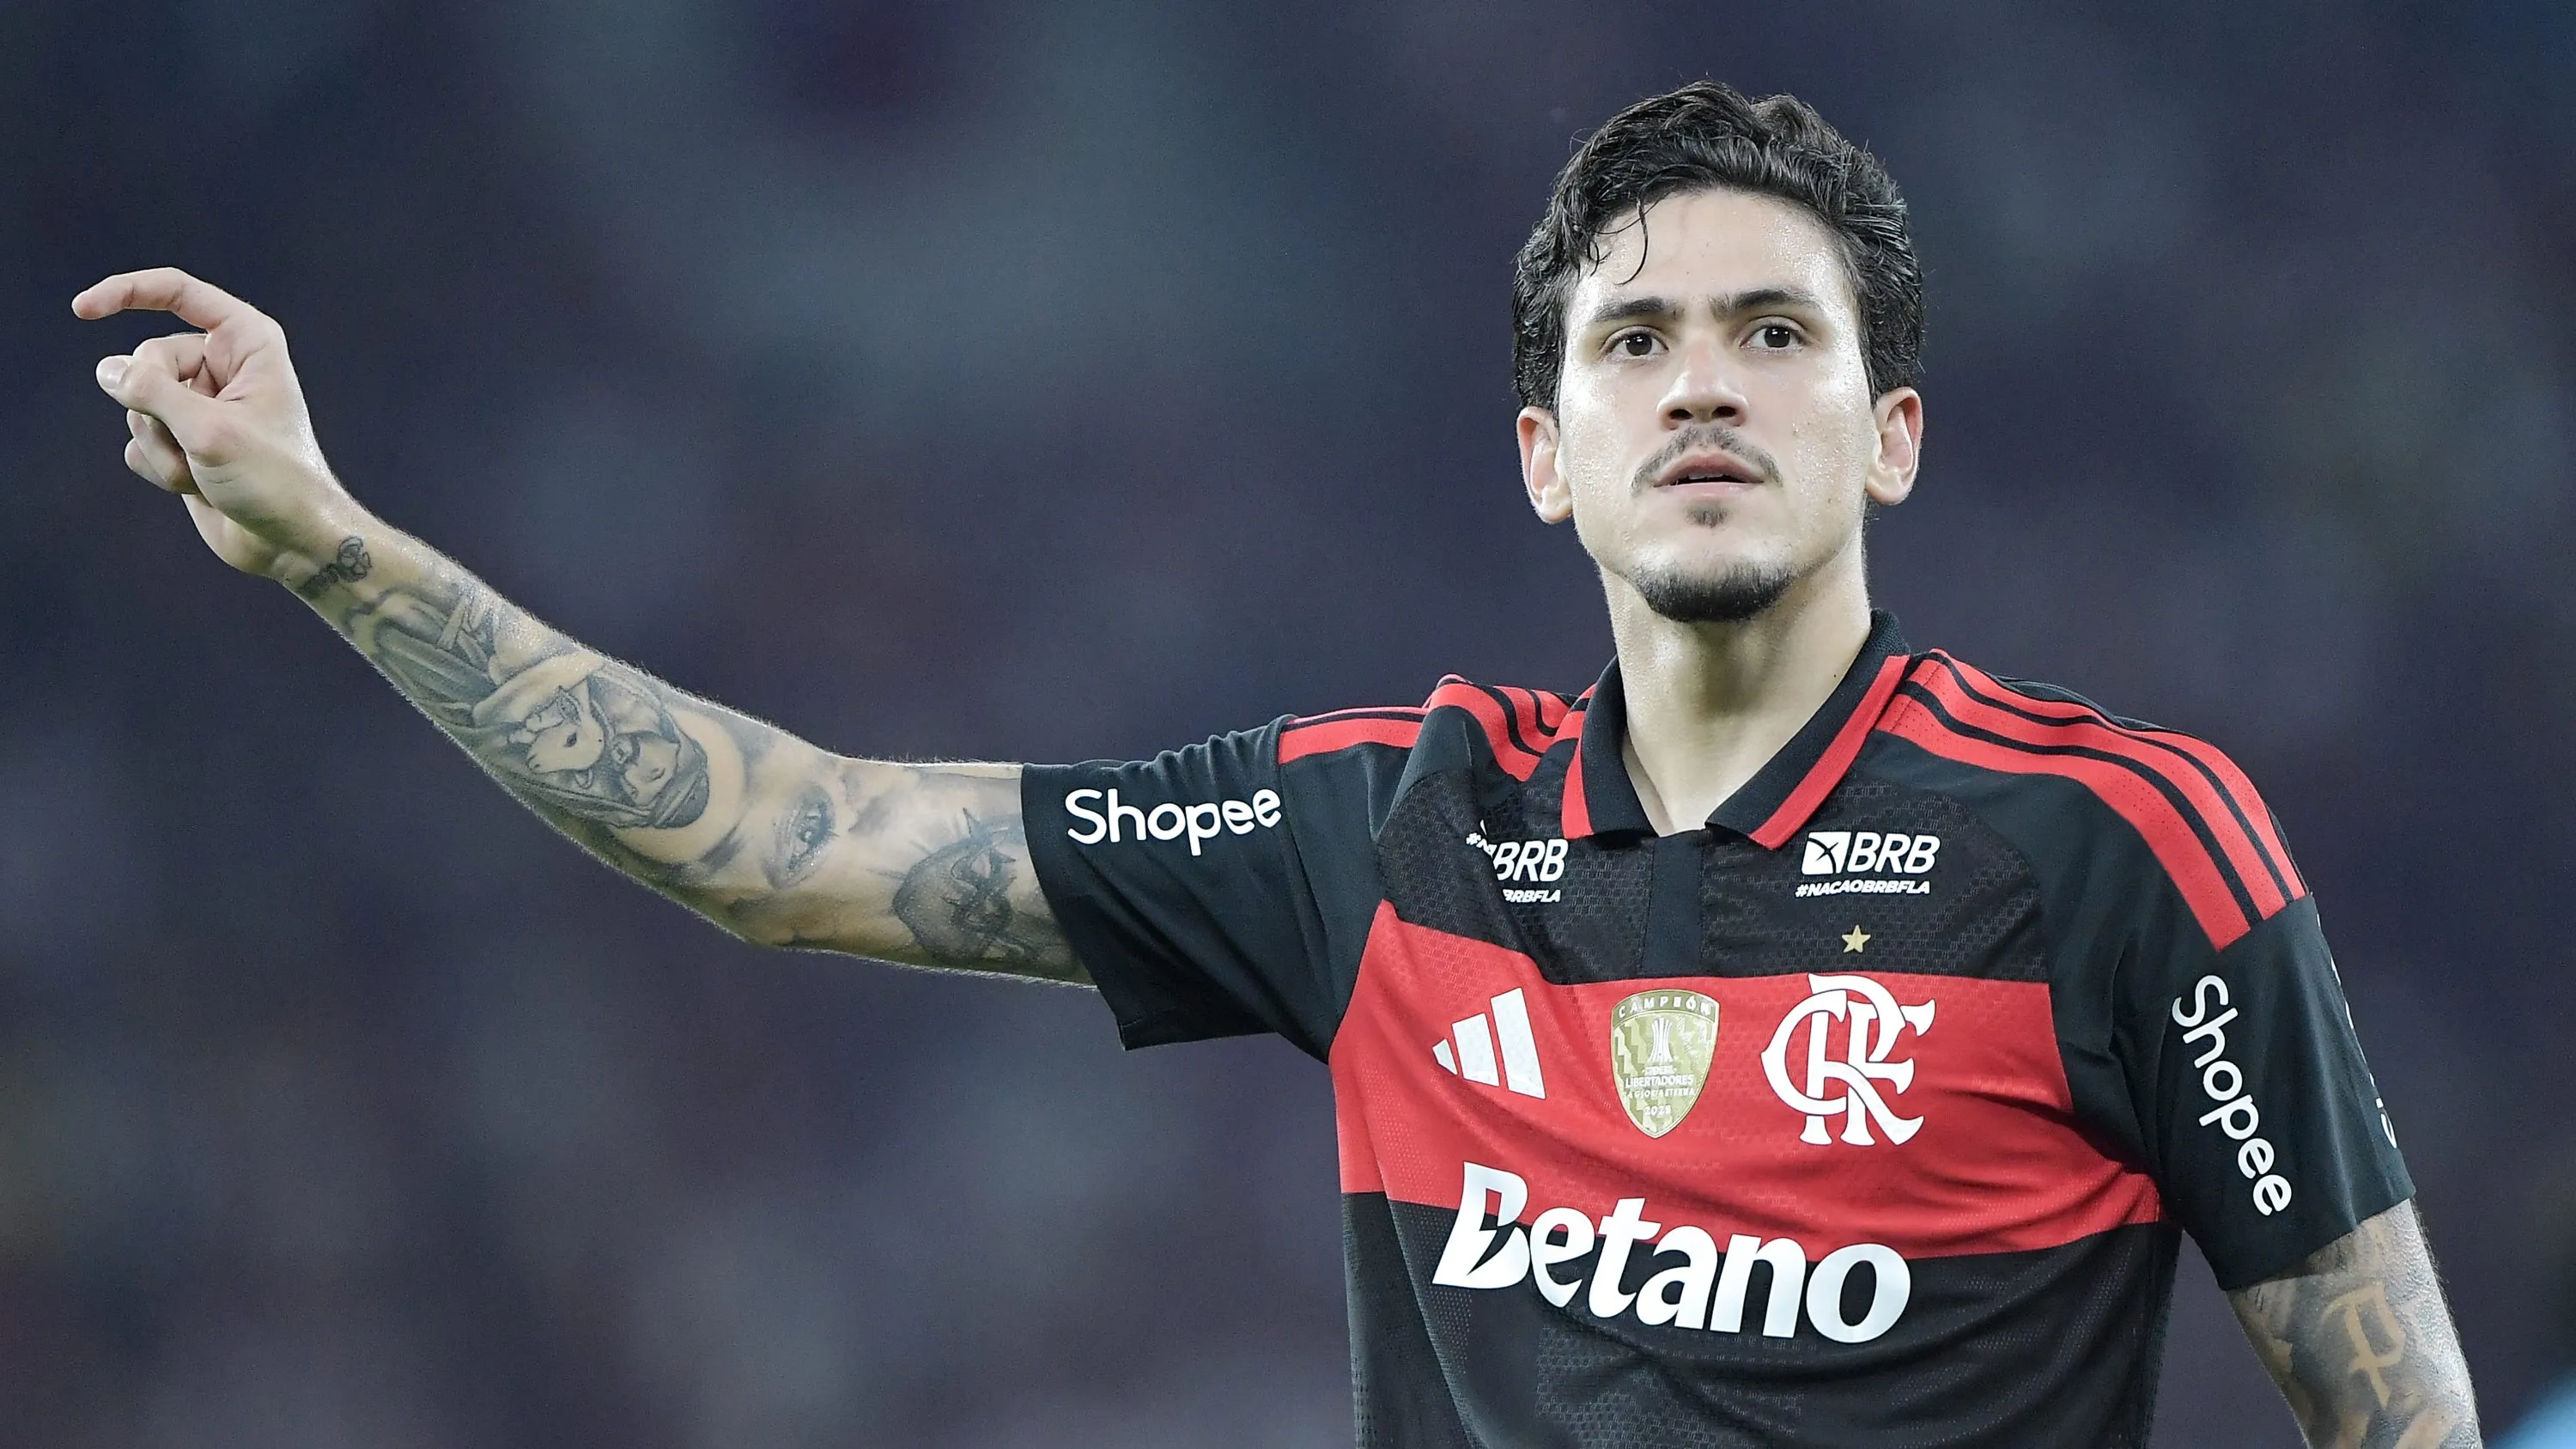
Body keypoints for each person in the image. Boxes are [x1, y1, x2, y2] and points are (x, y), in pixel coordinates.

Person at [76, 80, 2479, 1447]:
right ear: (1547, 453)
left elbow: (2396, 1417)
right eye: (1639, 342)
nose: (1710, 381)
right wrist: (340, 553)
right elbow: (792, 844)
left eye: (1779, 330)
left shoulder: (2119, 847)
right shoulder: (1385, 826)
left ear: (1900, 431)